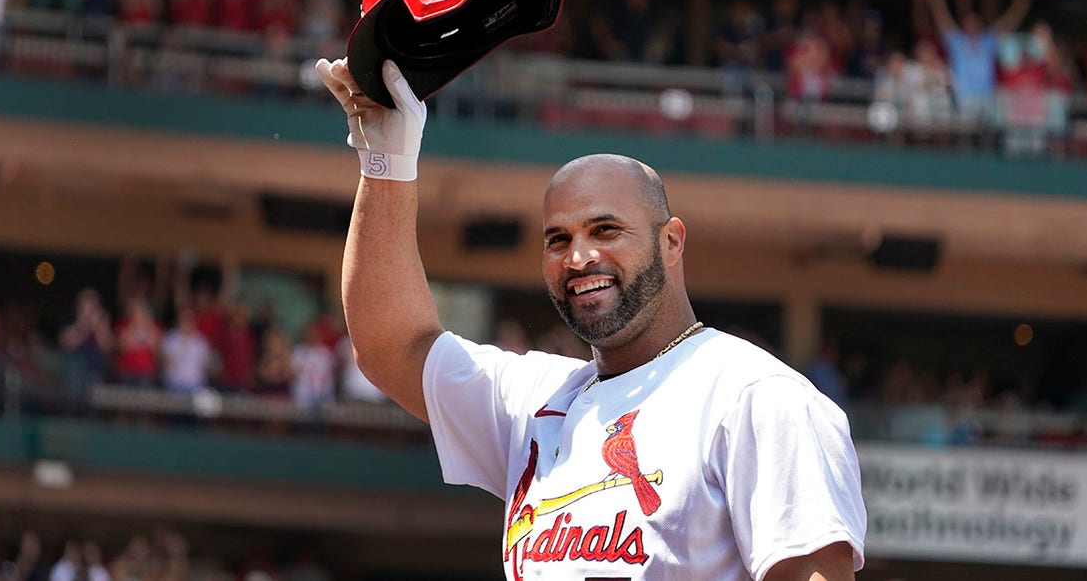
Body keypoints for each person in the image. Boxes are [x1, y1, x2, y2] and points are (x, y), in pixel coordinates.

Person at [315, 56, 866, 579]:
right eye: (559, 239)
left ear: (670, 242)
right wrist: (386, 162)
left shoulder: (756, 396)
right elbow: (394, 345)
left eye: (605, 230)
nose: (579, 257)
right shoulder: (539, 401)